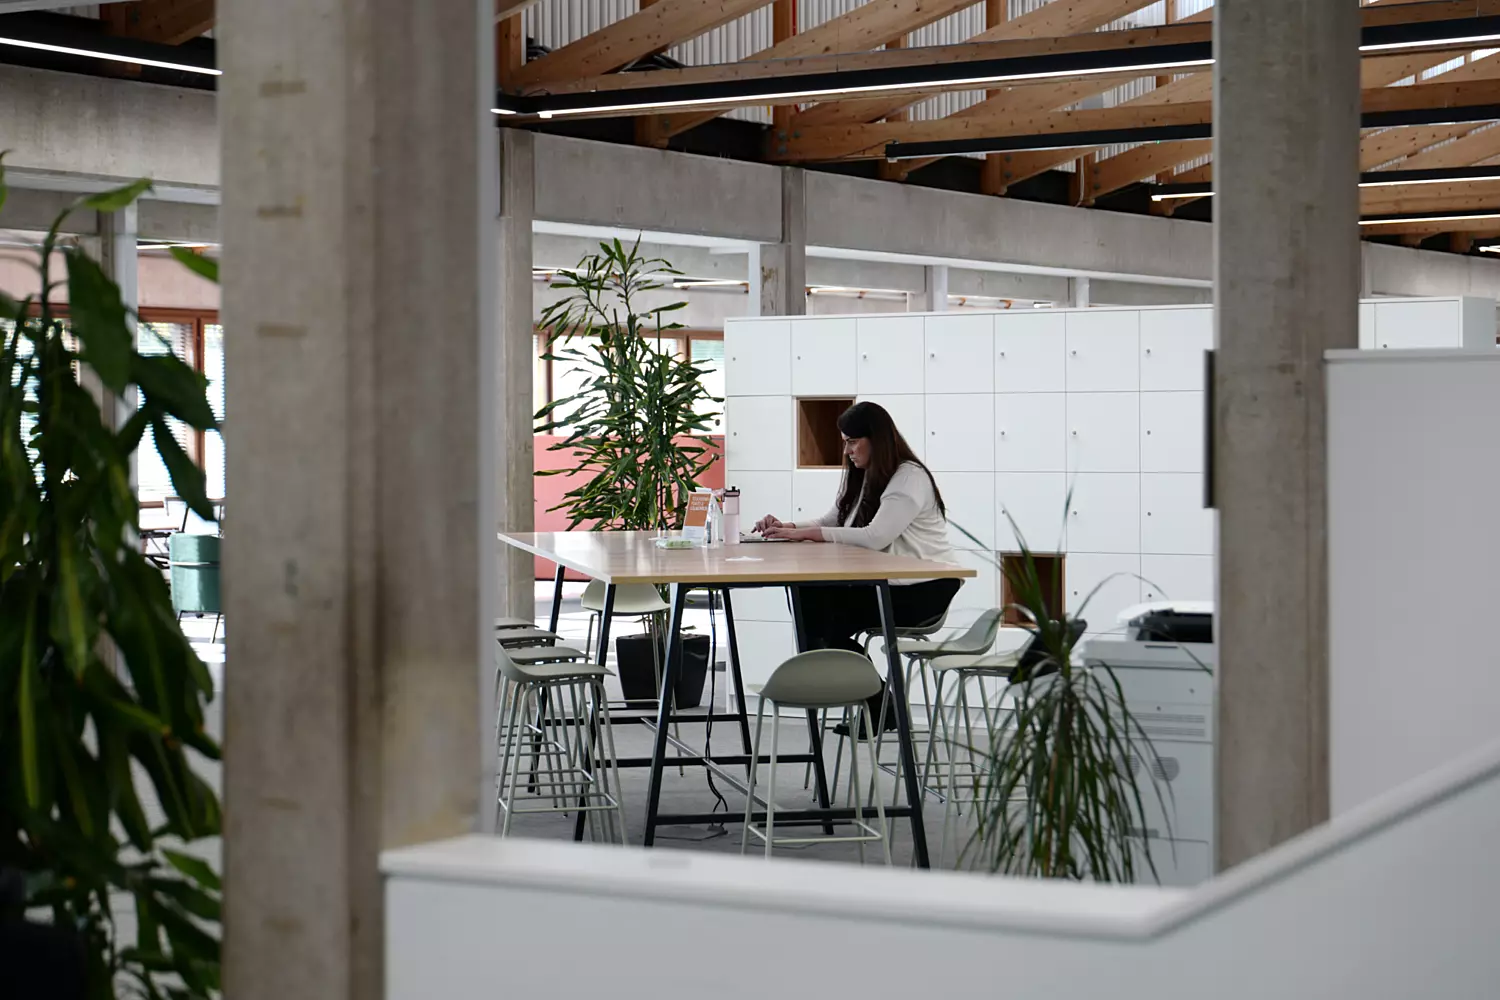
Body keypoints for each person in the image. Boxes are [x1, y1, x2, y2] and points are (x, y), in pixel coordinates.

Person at [753, 401, 962, 733]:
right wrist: (787, 527)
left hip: (924, 591)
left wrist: (806, 535)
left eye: (852, 441)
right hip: (889, 585)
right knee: (809, 604)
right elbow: (831, 520)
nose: (847, 450)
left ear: (875, 439)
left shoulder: (908, 478)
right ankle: (877, 701)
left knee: (816, 610)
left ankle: (878, 702)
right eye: (845, 441)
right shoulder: (869, 476)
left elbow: (875, 537)